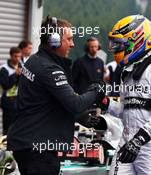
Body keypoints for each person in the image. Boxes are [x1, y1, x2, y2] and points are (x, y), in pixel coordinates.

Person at [7, 16, 105, 175]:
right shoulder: (49, 68)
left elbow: (50, 101)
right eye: (69, 39)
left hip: (27, 144)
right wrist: (97, 90)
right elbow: (75, 103)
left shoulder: (34, 60)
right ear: (54, 41)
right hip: (38, 149)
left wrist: (79, 116)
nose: (73, 44)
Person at [106, 15, 151, 175]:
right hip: (126, 140)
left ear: (136, 40)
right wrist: (104, 103)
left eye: (120, 44)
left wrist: (138, 140)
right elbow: (125, 110)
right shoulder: (128, 71)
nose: (116, 49)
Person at [0, 47, 21, 135]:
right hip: (8, 102)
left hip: (19, 101)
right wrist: (15, 75)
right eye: (15, 56)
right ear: (11, 56)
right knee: (8, 128)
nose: (17, 59)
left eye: (19, 57)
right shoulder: (4, 69)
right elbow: (5, 85)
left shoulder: (22, 67)